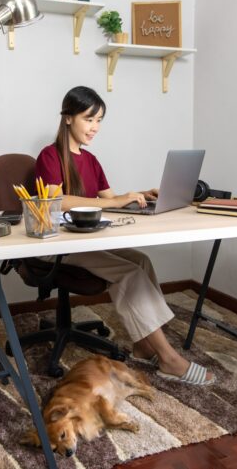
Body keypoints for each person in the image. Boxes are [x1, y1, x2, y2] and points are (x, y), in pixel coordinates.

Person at [34, 86, 214, 386]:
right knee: (128, 272)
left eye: (100, 120)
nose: (95, 127)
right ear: (68, 118)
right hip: (57, 243)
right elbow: (56, 203)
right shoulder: (49, 156)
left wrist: (140, 195)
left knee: (140, 260)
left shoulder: (90, 161)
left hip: (85, 240)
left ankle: (144, 345)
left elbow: (111, 200)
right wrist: (115, 201)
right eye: (89, 119)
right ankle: (169, 359)